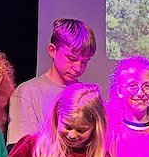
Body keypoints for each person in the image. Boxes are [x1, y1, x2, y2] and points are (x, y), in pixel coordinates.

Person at [7, 18, 96, 146]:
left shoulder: (86, 96)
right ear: (52, 50)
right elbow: (21, 149)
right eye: (71, 59)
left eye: (85, 62)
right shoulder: (28, 92)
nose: (78, 68)